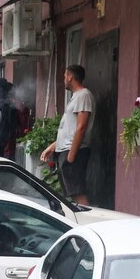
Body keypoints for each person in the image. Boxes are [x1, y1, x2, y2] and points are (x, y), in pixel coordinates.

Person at [41, 64, 95, 205]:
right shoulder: (76, 97)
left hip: (75, 151)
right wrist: (53, 146)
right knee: (72, 192)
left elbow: (81, 126)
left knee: (77, 192)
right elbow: (70, 128)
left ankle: (87, 223)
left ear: (71, 77)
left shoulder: (83, 95)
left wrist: (71, 155)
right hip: (67, 149)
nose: (64, 79)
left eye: (65, 76)